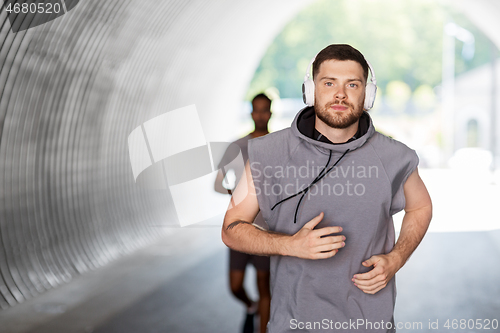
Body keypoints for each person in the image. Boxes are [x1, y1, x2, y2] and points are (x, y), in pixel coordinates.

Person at [221, 44, 432, 333]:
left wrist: (396, 259)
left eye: (353, 84)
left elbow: (420, 207)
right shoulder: (267, 153)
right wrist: (289, 245)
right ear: (311, 90)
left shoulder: (395, 156)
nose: (340, 94)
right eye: (329, 83)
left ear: (367, 94)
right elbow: (231, 227)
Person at [214, 93, 273, 333]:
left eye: (264, 110)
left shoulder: (278, 146)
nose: (260, 115)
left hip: (267, 229)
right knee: (235, 285)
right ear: (251, 113)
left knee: (264, 285)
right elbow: (218, 184)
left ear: (270, 112)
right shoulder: (237, 147)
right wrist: (239, 197)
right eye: (256, 110)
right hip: (239, 227)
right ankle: (251, 306)